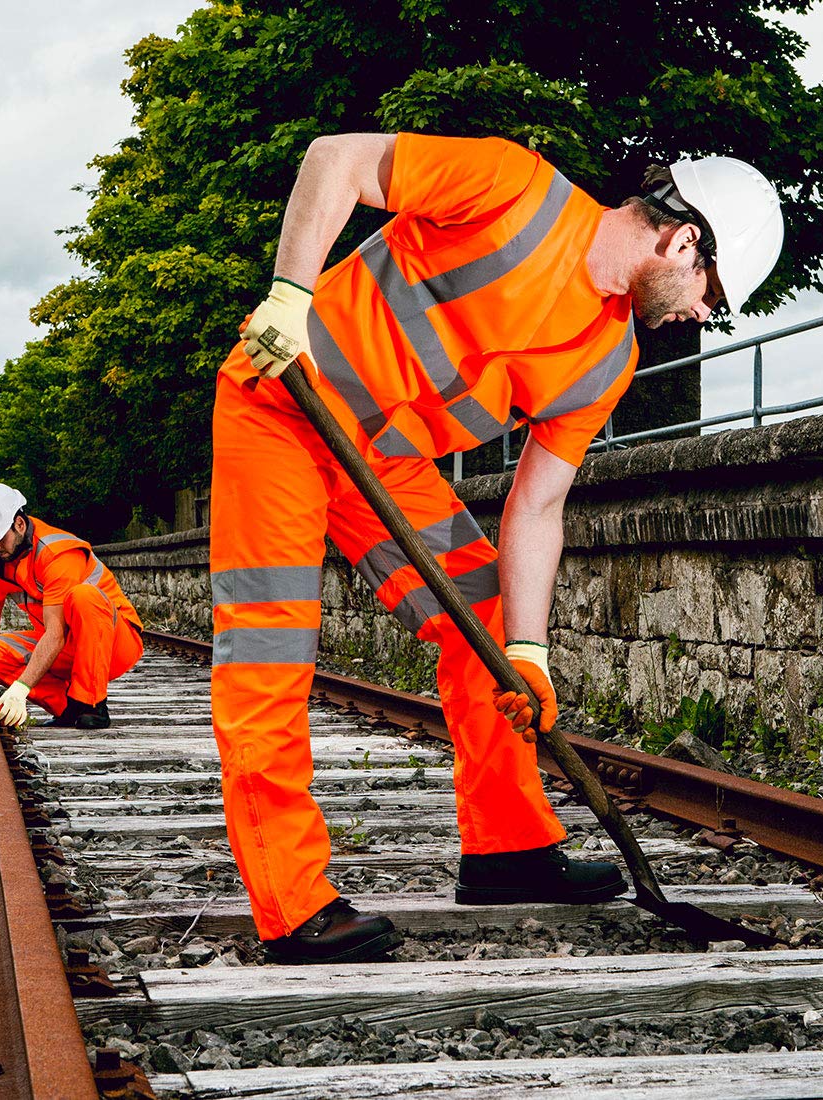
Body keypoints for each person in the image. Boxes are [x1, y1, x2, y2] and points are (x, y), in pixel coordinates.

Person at [213, 131, 784, 964]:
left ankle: (508, 849)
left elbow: (539, 503)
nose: (704, 314)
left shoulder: (610, 359)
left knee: (488, 627)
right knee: (271, 647)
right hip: (280, 406)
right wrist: (289, 296)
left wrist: (529, 650)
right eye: (713, 292)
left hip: (384, 461)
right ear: (684, 240)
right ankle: (291, 902)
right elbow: (334, 159)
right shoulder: (515, 187)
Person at [0, 482, 144, 730]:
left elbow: (55, 634)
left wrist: (21, 687)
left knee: (84, 596)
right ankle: (68, 708)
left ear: (19, 524)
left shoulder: (56, 553)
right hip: (66, 647)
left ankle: (92, 704)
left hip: (114, 644)